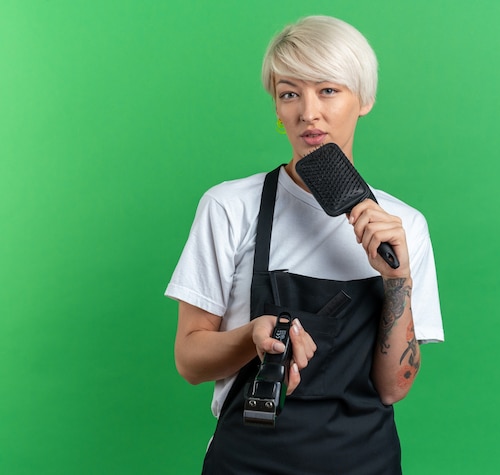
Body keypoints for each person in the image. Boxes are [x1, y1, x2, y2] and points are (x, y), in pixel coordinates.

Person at [165, 15, 444, 475]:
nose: (308, 112)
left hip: (365, 462)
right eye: (290, 93)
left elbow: (393, 387)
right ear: (277, 107)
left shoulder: (405, 226)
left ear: (364, 99)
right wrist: (252, 334)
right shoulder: (230, 207)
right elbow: (190, 362)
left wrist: (397, 278)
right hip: (248, 462)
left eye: (328, 90)